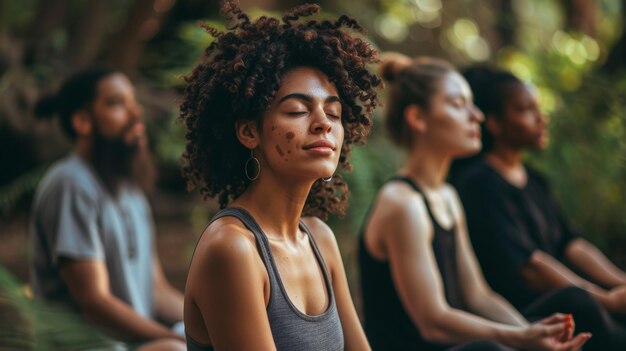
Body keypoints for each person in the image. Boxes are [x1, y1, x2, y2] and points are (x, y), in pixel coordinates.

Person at [179, 2, 382, 350]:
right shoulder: (233, 249)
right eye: (297, 110)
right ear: (249, 133)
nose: (323, 124)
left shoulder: (320, 238)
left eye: (333, 113)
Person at [358, 53, 592, 351]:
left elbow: (478, 295)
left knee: (573, 303)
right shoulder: (403, 204)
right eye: (458, 105)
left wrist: (534, 334)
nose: (477, 116)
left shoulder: (447, 196)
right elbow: (433, 321)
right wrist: (522, 340)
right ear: (418, 118)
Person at [452, 66, 626, 350]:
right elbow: (530, 267)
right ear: (494, 123)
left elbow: (572, 244)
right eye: (525, 110)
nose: (540, 118)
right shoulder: (479, 183)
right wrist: (605, 300)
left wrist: (620, 284)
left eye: (538, 108)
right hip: (522, 313)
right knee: (577, 302)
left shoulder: (535, 180)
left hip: (563, 297)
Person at [30, 67, 185, 351]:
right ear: (82, 121)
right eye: (116, 103)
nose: (134, 113)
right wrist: (177, 340)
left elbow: (156, 289)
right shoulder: (71, 184)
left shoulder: (129, 187)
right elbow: (95, 302)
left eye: (133, 101)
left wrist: (207, 326)